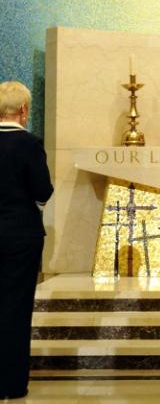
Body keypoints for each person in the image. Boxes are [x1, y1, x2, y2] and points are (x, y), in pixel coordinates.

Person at [0, 81, 54, 400]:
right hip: (20, 236)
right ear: (24, 110)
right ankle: (12, 383)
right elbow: (42, 191)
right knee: (16, 309)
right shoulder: (30, 143)